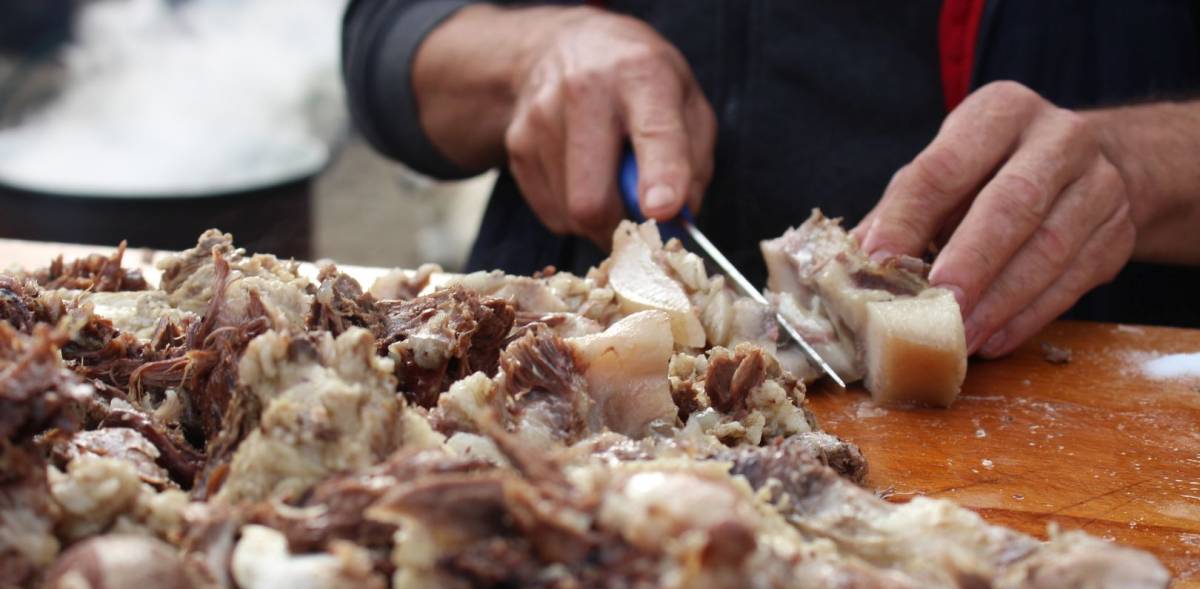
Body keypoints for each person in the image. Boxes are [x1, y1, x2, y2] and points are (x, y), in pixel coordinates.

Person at [343, 1, 1200, 357]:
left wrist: (1139, 163)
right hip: (571, 362)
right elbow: (384, 36)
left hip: (1081, 392)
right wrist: (528, 55)